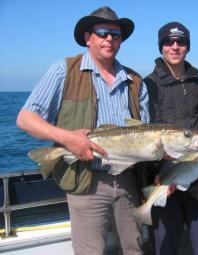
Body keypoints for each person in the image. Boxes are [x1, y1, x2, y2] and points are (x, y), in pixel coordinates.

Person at [16, 6, 149, 255]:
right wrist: (68, 139)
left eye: (116, 34)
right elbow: (25, 119)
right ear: (88, 38)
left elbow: (146, 130)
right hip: (86, 181)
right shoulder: (64, 70)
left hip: (128, 181)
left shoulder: (136, 81)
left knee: (135, 249)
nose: (110, 38)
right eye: (102, 32)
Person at [143, 22, 198, 255]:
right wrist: (156, 173)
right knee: (164, 248)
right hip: (162, 180)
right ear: (161, 46)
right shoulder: (147, 86)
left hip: (197, 176)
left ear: (187, 47)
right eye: (168, 42)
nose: (175, 47)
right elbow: (144, 138)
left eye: (181, 42)